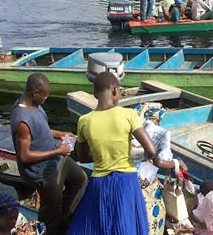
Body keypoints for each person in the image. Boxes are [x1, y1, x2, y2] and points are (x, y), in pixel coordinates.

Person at [70, 72, 156, 235]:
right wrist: (133, 153)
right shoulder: (128, 114)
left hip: (99, 184)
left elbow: (82, 157)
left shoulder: (84, 120)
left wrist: (102, 152)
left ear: (95, 95)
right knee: (127, 227)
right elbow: (151, 151)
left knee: (98, 228)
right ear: (115, 91)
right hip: (126, 183)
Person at [11, 73, 87, 235]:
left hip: (57, 160)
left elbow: (42, 129)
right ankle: (50, 229)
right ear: (35, 93)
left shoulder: (35, 105)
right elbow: (24, 156)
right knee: (50, 213)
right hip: (43, 173)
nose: (47, 98)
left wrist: (60, 134)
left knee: (80, 180)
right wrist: (58, 150)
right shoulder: (22, 121)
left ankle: (64, 220)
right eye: (45, 95)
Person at [133, 103, 188, 235]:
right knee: (151, 217)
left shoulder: (133, 129)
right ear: (158, 118)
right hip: (146, 183)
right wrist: (177, 162)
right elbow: (160, 162)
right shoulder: (161, 133)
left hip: (128, 178)